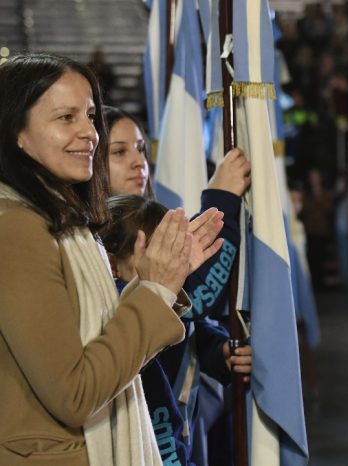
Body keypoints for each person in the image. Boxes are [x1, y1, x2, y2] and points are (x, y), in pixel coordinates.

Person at [0, 52, 222, 465]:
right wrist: (154, 292)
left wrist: (161, 281)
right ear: (16, 132)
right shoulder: (16, 229)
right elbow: (75, 393)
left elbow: (94, 339)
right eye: (66, 117)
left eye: (89, 115)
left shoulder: (57, 222)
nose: (89, 133)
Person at [102, 105, 253, 464]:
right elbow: (179, 299)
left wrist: (219, 353)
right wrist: (220, 202)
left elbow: (187, 316)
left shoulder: (151, 217)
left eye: (141, 148)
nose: (138, 161)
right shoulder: (83, 239)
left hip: (177, 428)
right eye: (119, 152)